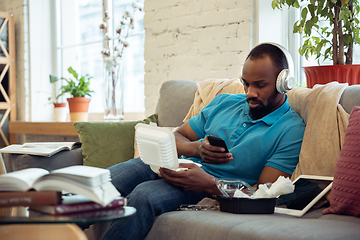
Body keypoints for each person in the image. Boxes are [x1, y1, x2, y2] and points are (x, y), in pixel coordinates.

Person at [102, 43, 306, 240]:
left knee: (143, 196)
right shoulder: (224, 102)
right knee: (103, 181)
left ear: (283, 82)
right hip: (172, 163)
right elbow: (176, 136)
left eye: (260, 85)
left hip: (199, 185)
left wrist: (211, 184)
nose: (250, 93)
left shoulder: (291, 129)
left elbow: (265, 193)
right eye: (246, 83)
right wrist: (196, 148)